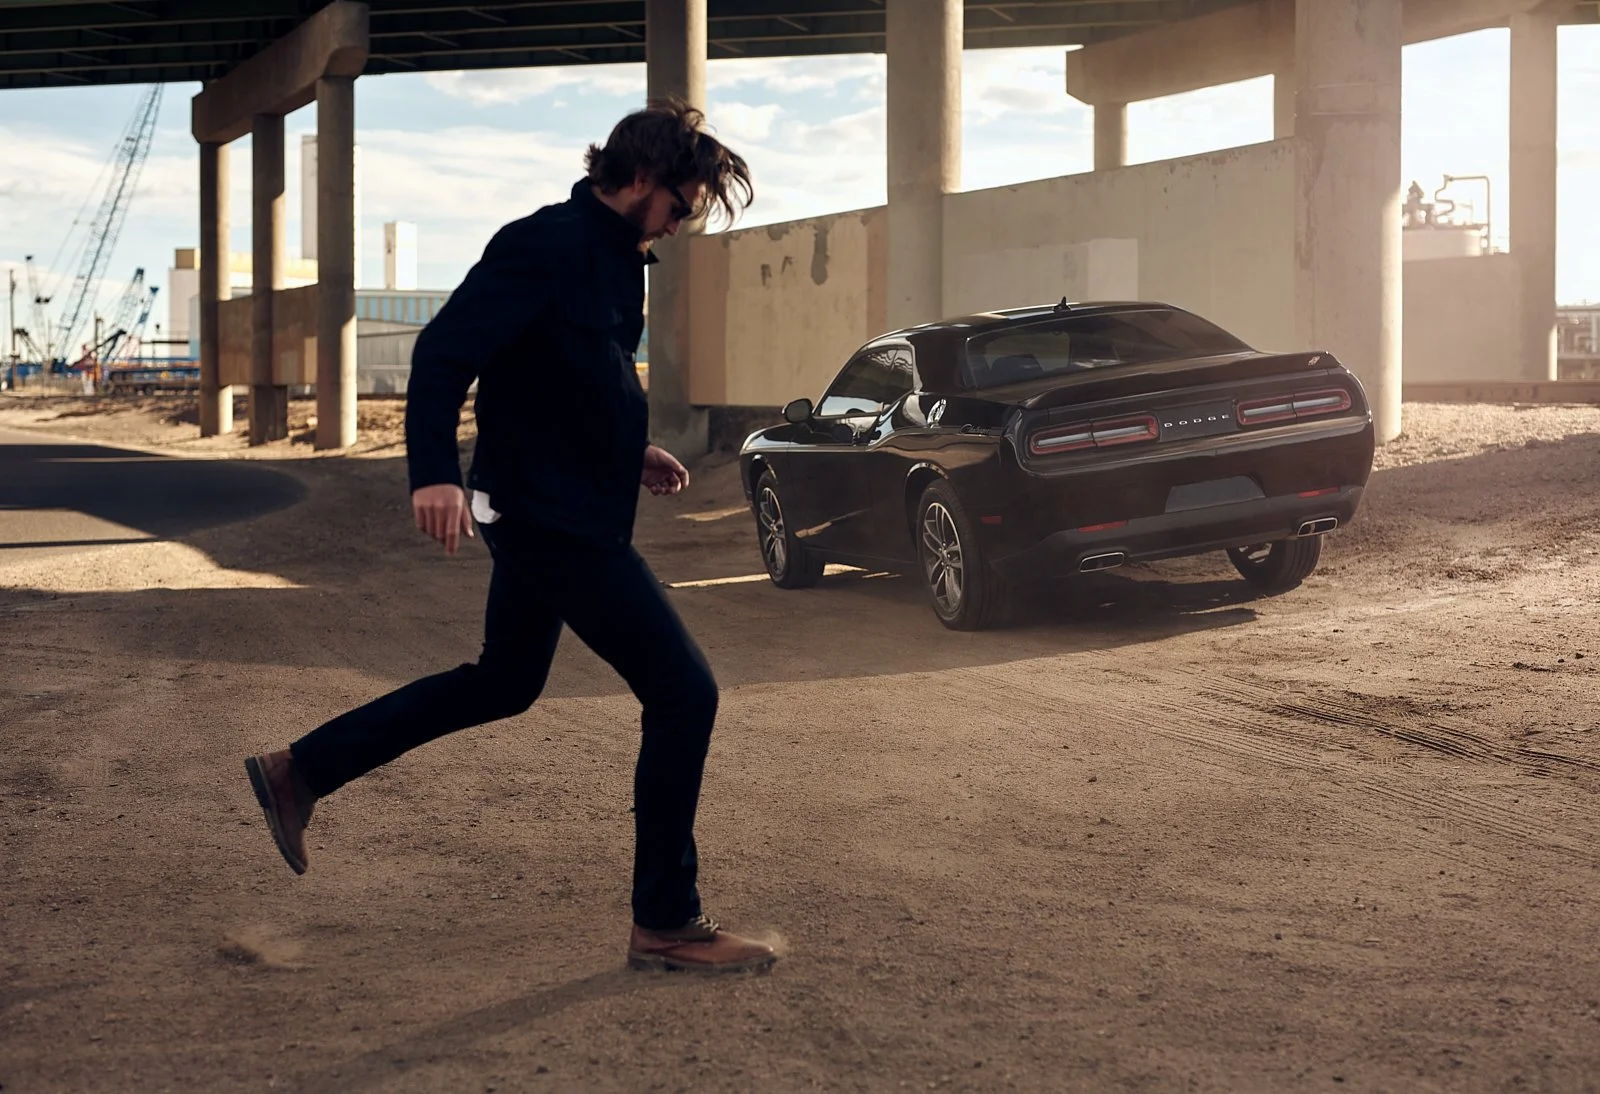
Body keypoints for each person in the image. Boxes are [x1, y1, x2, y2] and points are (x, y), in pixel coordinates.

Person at [244, 100, 775, 975]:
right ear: (639, 179)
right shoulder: (541, 245)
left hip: (576, 503)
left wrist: (627, 447)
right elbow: (443, 356)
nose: (680, 226)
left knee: (504, 681)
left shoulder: (618, 260)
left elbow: (570, 378)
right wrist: (431, 473)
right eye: (679, 206)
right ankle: (667, 925)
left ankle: (300, 771)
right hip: (546, 517)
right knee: (685, 691)